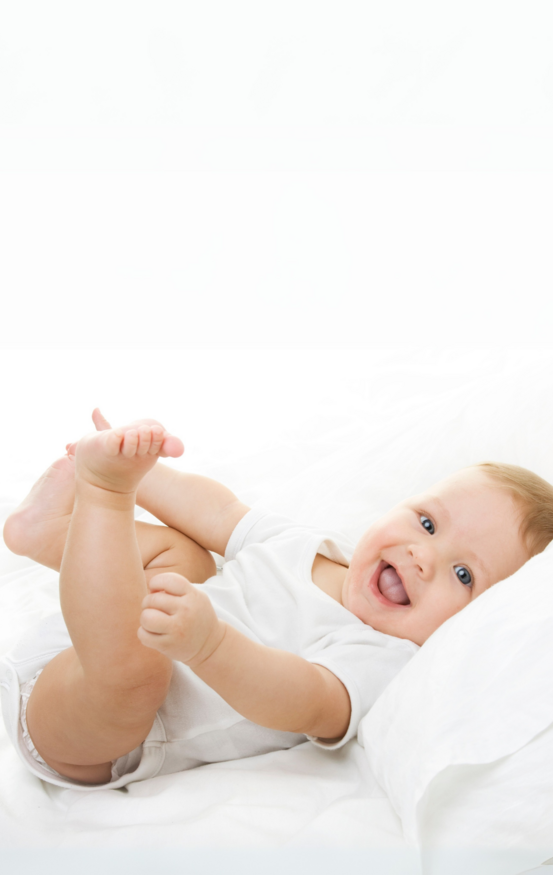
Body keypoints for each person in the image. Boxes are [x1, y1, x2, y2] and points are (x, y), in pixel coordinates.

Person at [1, 409, 544, 790]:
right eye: (427, 522)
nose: (423, 556)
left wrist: (209, 645)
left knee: (142, 673)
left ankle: (103, 495)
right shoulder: (314, 547)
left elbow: (304, 698)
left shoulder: (382, 654)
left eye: (463, 574)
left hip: (92, 729)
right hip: (89, 636)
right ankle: (50, 531)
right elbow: (217, 511)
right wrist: (143, 470)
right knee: (190, 557)